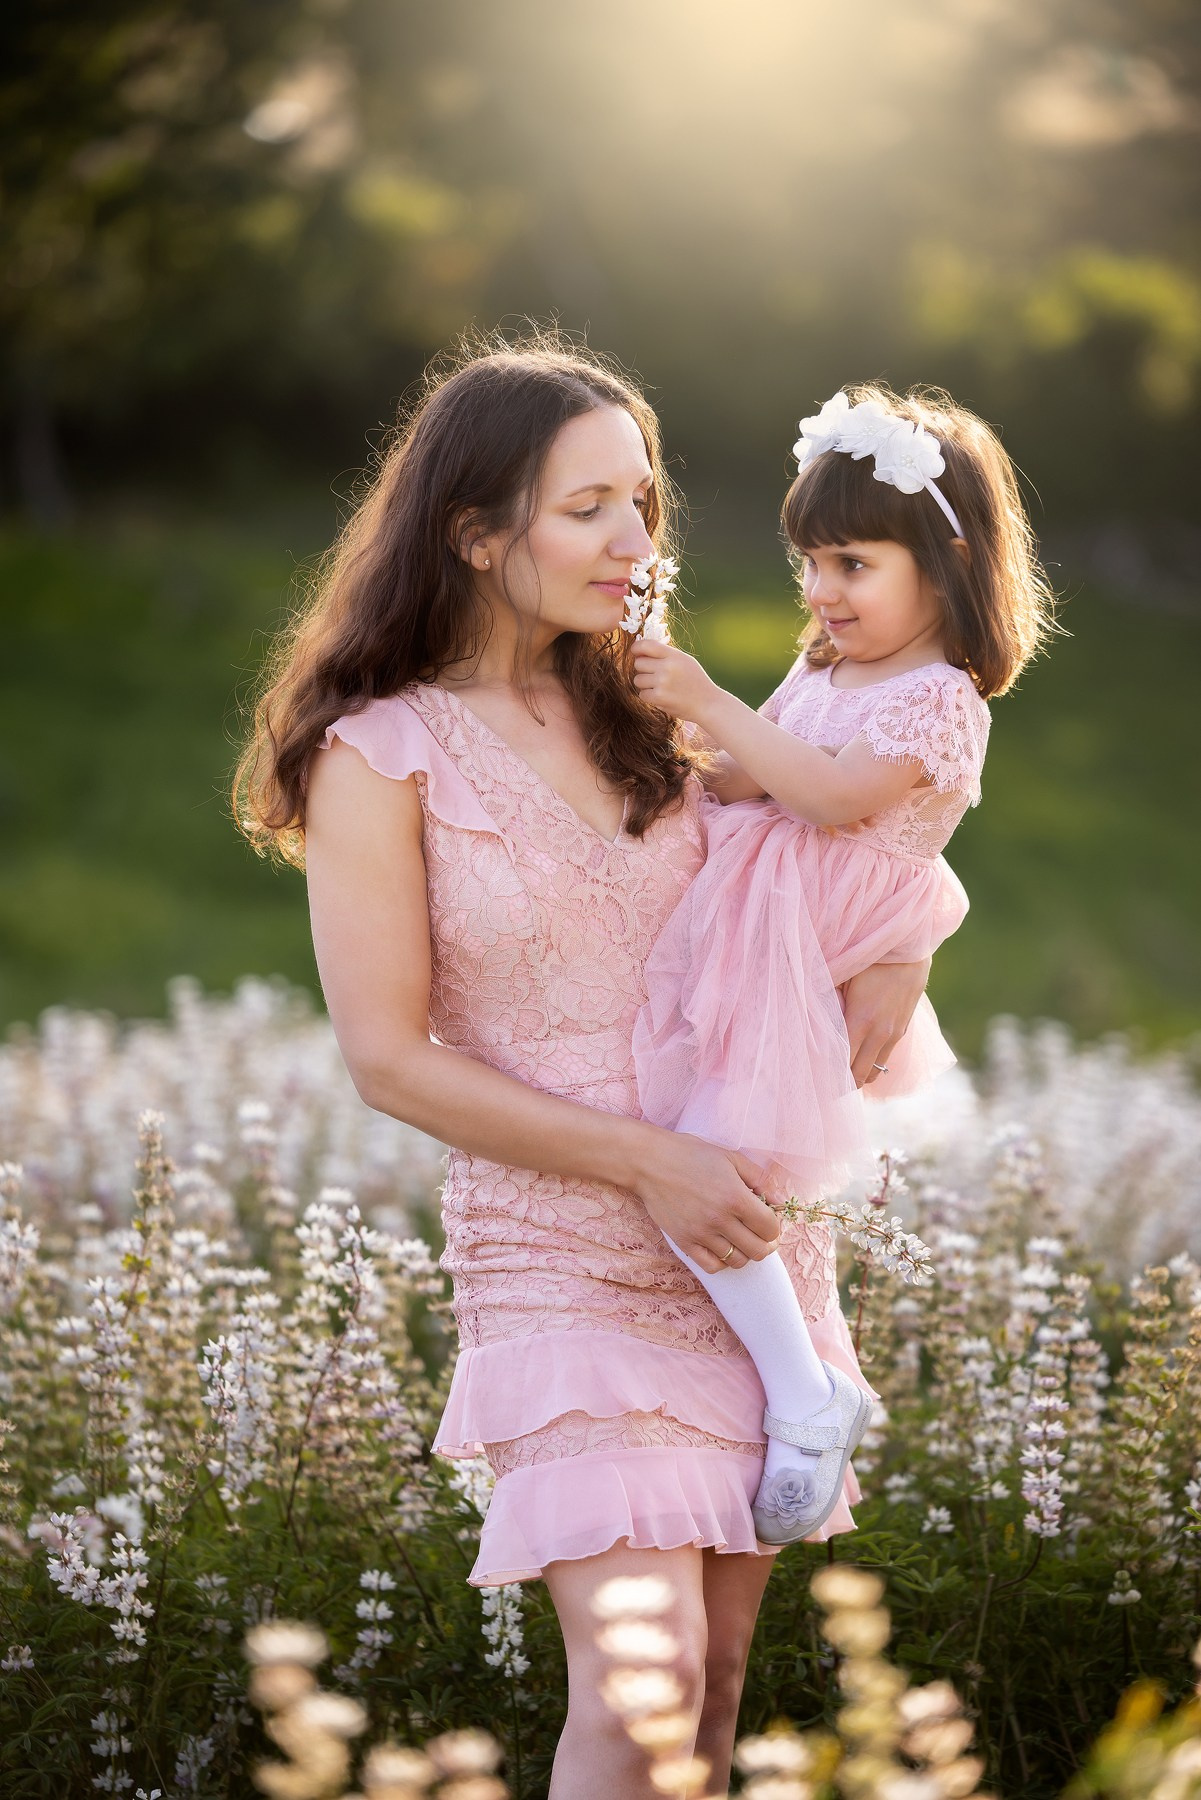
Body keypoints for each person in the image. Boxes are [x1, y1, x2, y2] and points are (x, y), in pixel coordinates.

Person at [233, 336, 930, 1799]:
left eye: (645, 504)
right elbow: (386, 1059)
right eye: (588, 507)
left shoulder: (662, 713)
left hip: (741, 1242)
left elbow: (847, 858)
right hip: (562, 1246)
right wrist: (643, 1162)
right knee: (645, 1688)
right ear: (477, 534)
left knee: (719, 1690)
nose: (635, 540)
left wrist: (904, 952)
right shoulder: (380, 753)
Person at [631, 383, 1056, 1548]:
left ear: (948, 563)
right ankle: (810, 1381)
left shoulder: (939, 701)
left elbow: (823, 796)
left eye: (853, 564)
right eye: (809, 564)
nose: (822, 592)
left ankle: (808, 1391)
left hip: (795, 960)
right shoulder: (822, 673)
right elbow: (749, 777)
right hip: (754, 938)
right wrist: (671, 733)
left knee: (701, 1180)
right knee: (696, 1173)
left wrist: (713, 699)